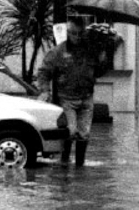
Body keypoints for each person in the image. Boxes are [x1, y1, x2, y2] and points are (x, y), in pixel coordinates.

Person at [36, 12, 110, 165]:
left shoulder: (90, 51)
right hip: (66, 99)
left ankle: (80, 165)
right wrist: (45, 90)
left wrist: (103, 58)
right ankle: (64, 162)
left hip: (86, 97)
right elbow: (44, 72)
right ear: (68, 33)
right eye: (73, 33)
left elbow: (99, 72)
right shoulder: (58, 52)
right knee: (70, 131)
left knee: (84, 133)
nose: (77, 37)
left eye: (80, 33)